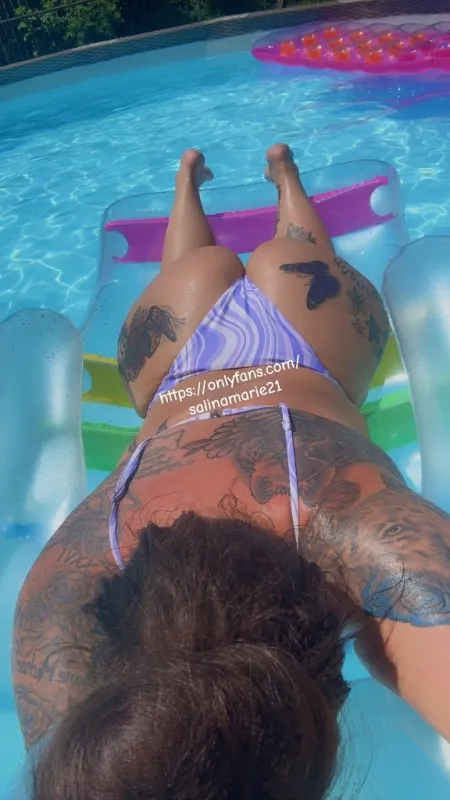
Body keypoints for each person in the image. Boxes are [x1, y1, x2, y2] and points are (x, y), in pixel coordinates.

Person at [13, 145, 450, 800]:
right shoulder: (64, 588)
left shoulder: (349, 523)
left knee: (282, 259)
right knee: (207, 271)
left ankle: (263, 176)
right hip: (177, 363)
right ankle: (223, 178)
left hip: (302, 354)